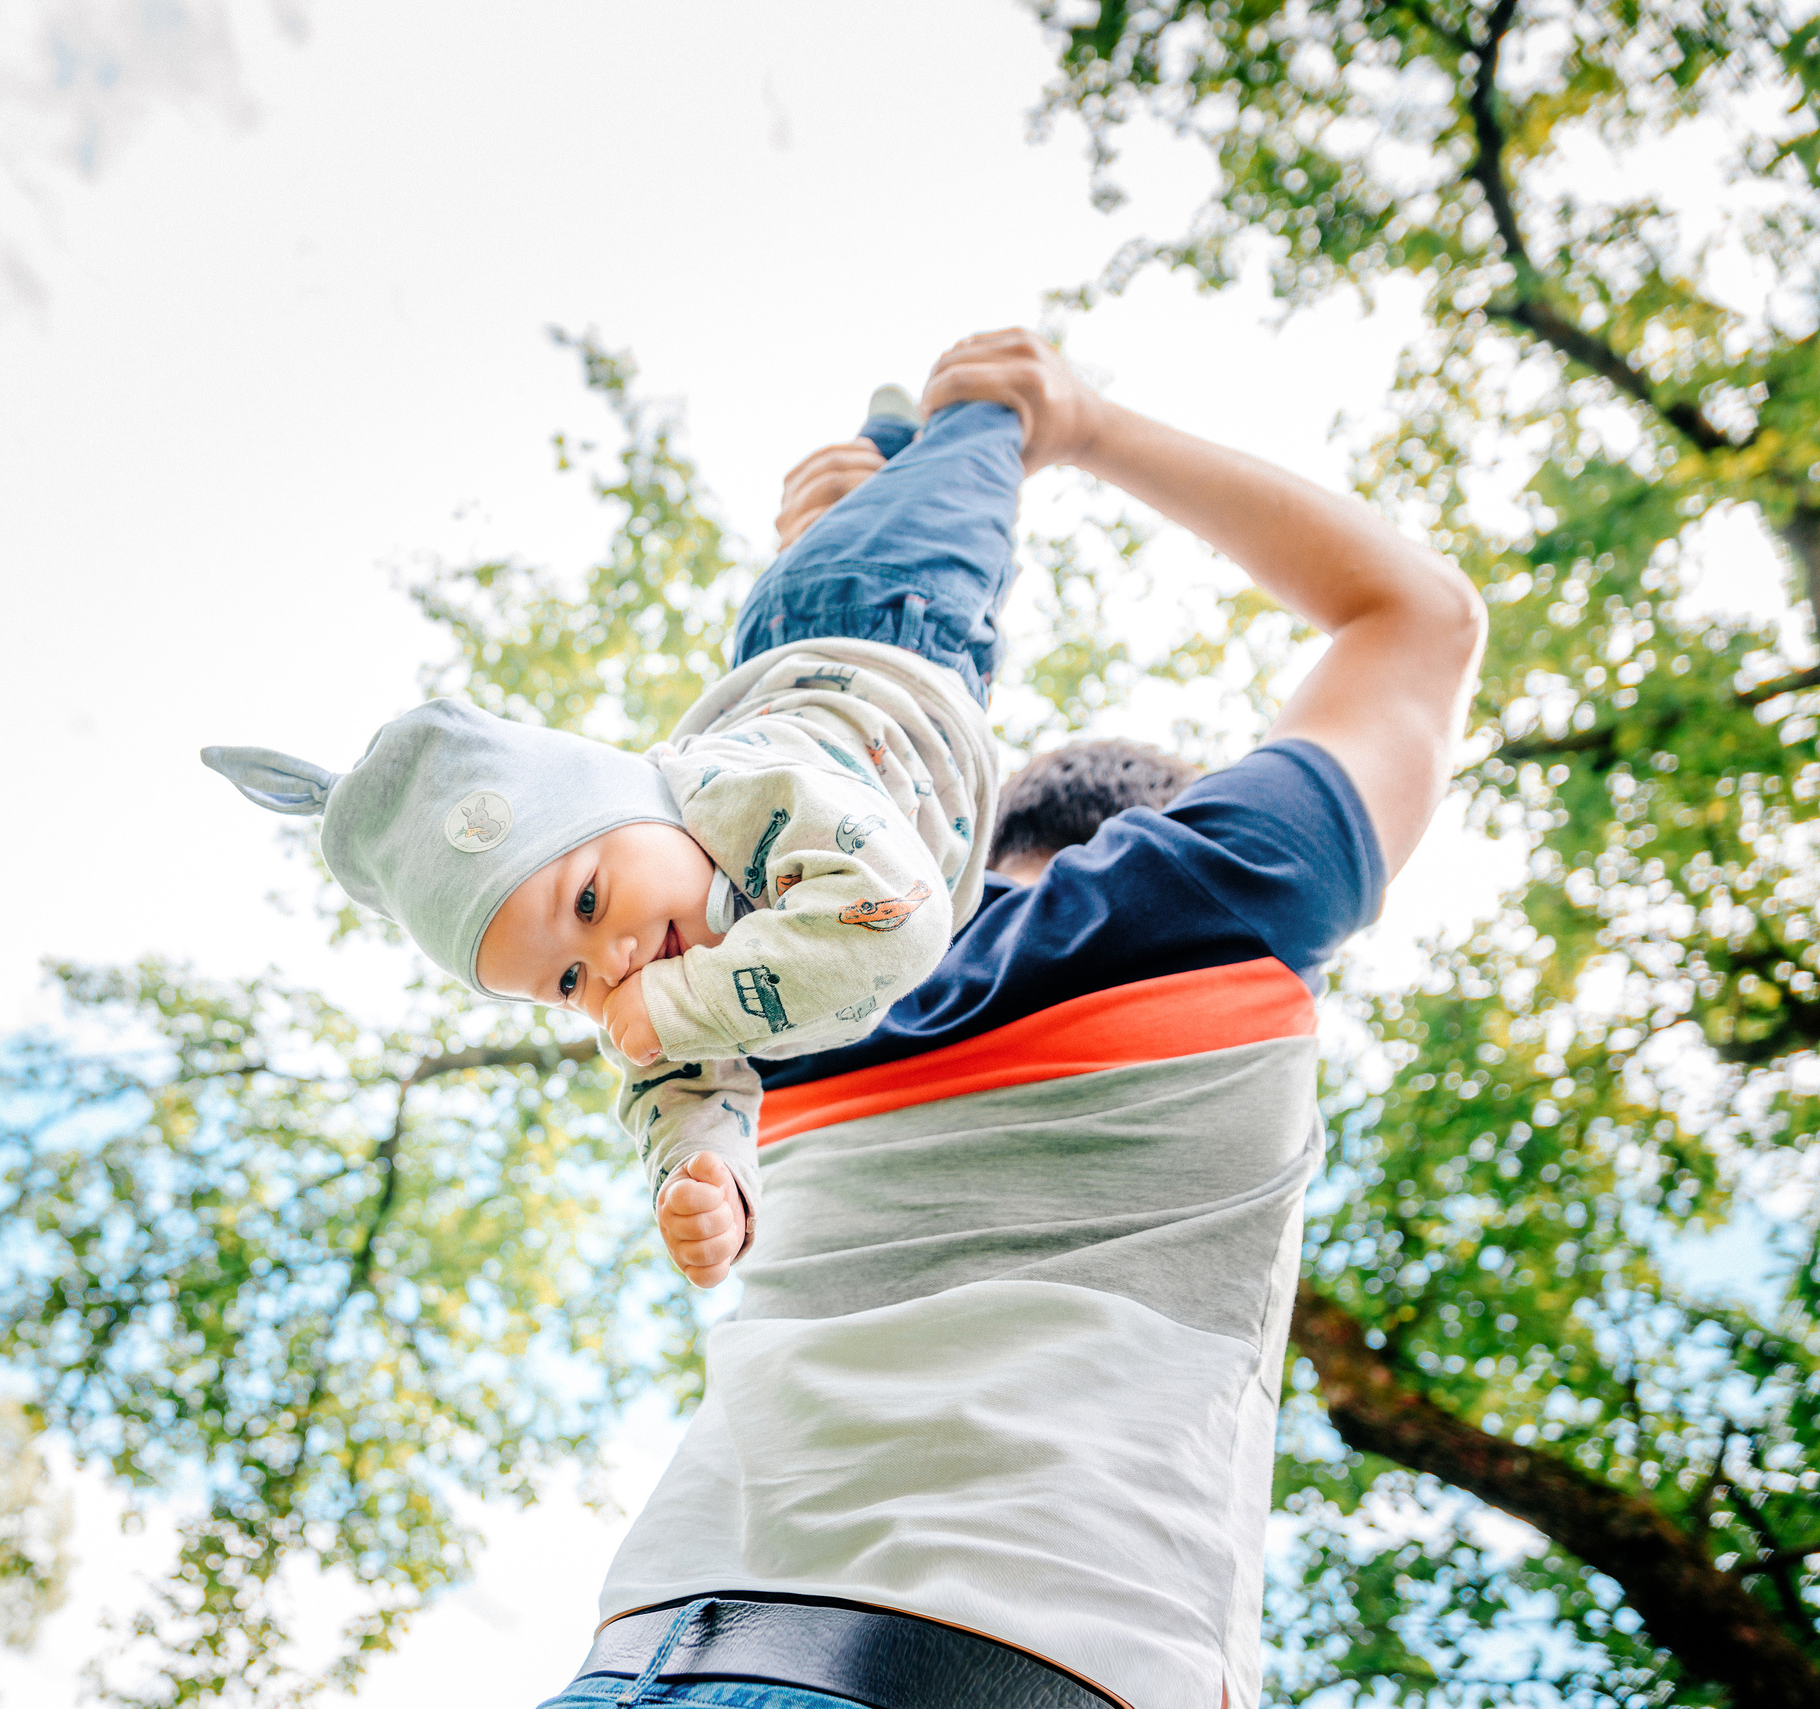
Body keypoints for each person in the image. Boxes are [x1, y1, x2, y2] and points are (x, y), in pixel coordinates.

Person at [549, 331, 1482, 1709]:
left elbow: (821, 763)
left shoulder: (777, 989)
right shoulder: (1219, 894)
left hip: (642, 1652)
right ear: (1169, 819)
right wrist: (1081, 426)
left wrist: (855, 535)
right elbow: (1419, 618)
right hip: (1005, 1661)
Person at [203, 353, 1027, 1287]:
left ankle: (965, 405)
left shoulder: (730, 791)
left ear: (637, 803)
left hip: (878, 606)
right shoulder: (652, 993)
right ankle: (884, 447)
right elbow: (678, 1092)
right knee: (903, 514)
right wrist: (704, 1173)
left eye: (589, 901)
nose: (613, 966)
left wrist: (670, 1010)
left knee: (977, 462)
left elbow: (897, 918)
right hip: (910, 660)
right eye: (566, 981)